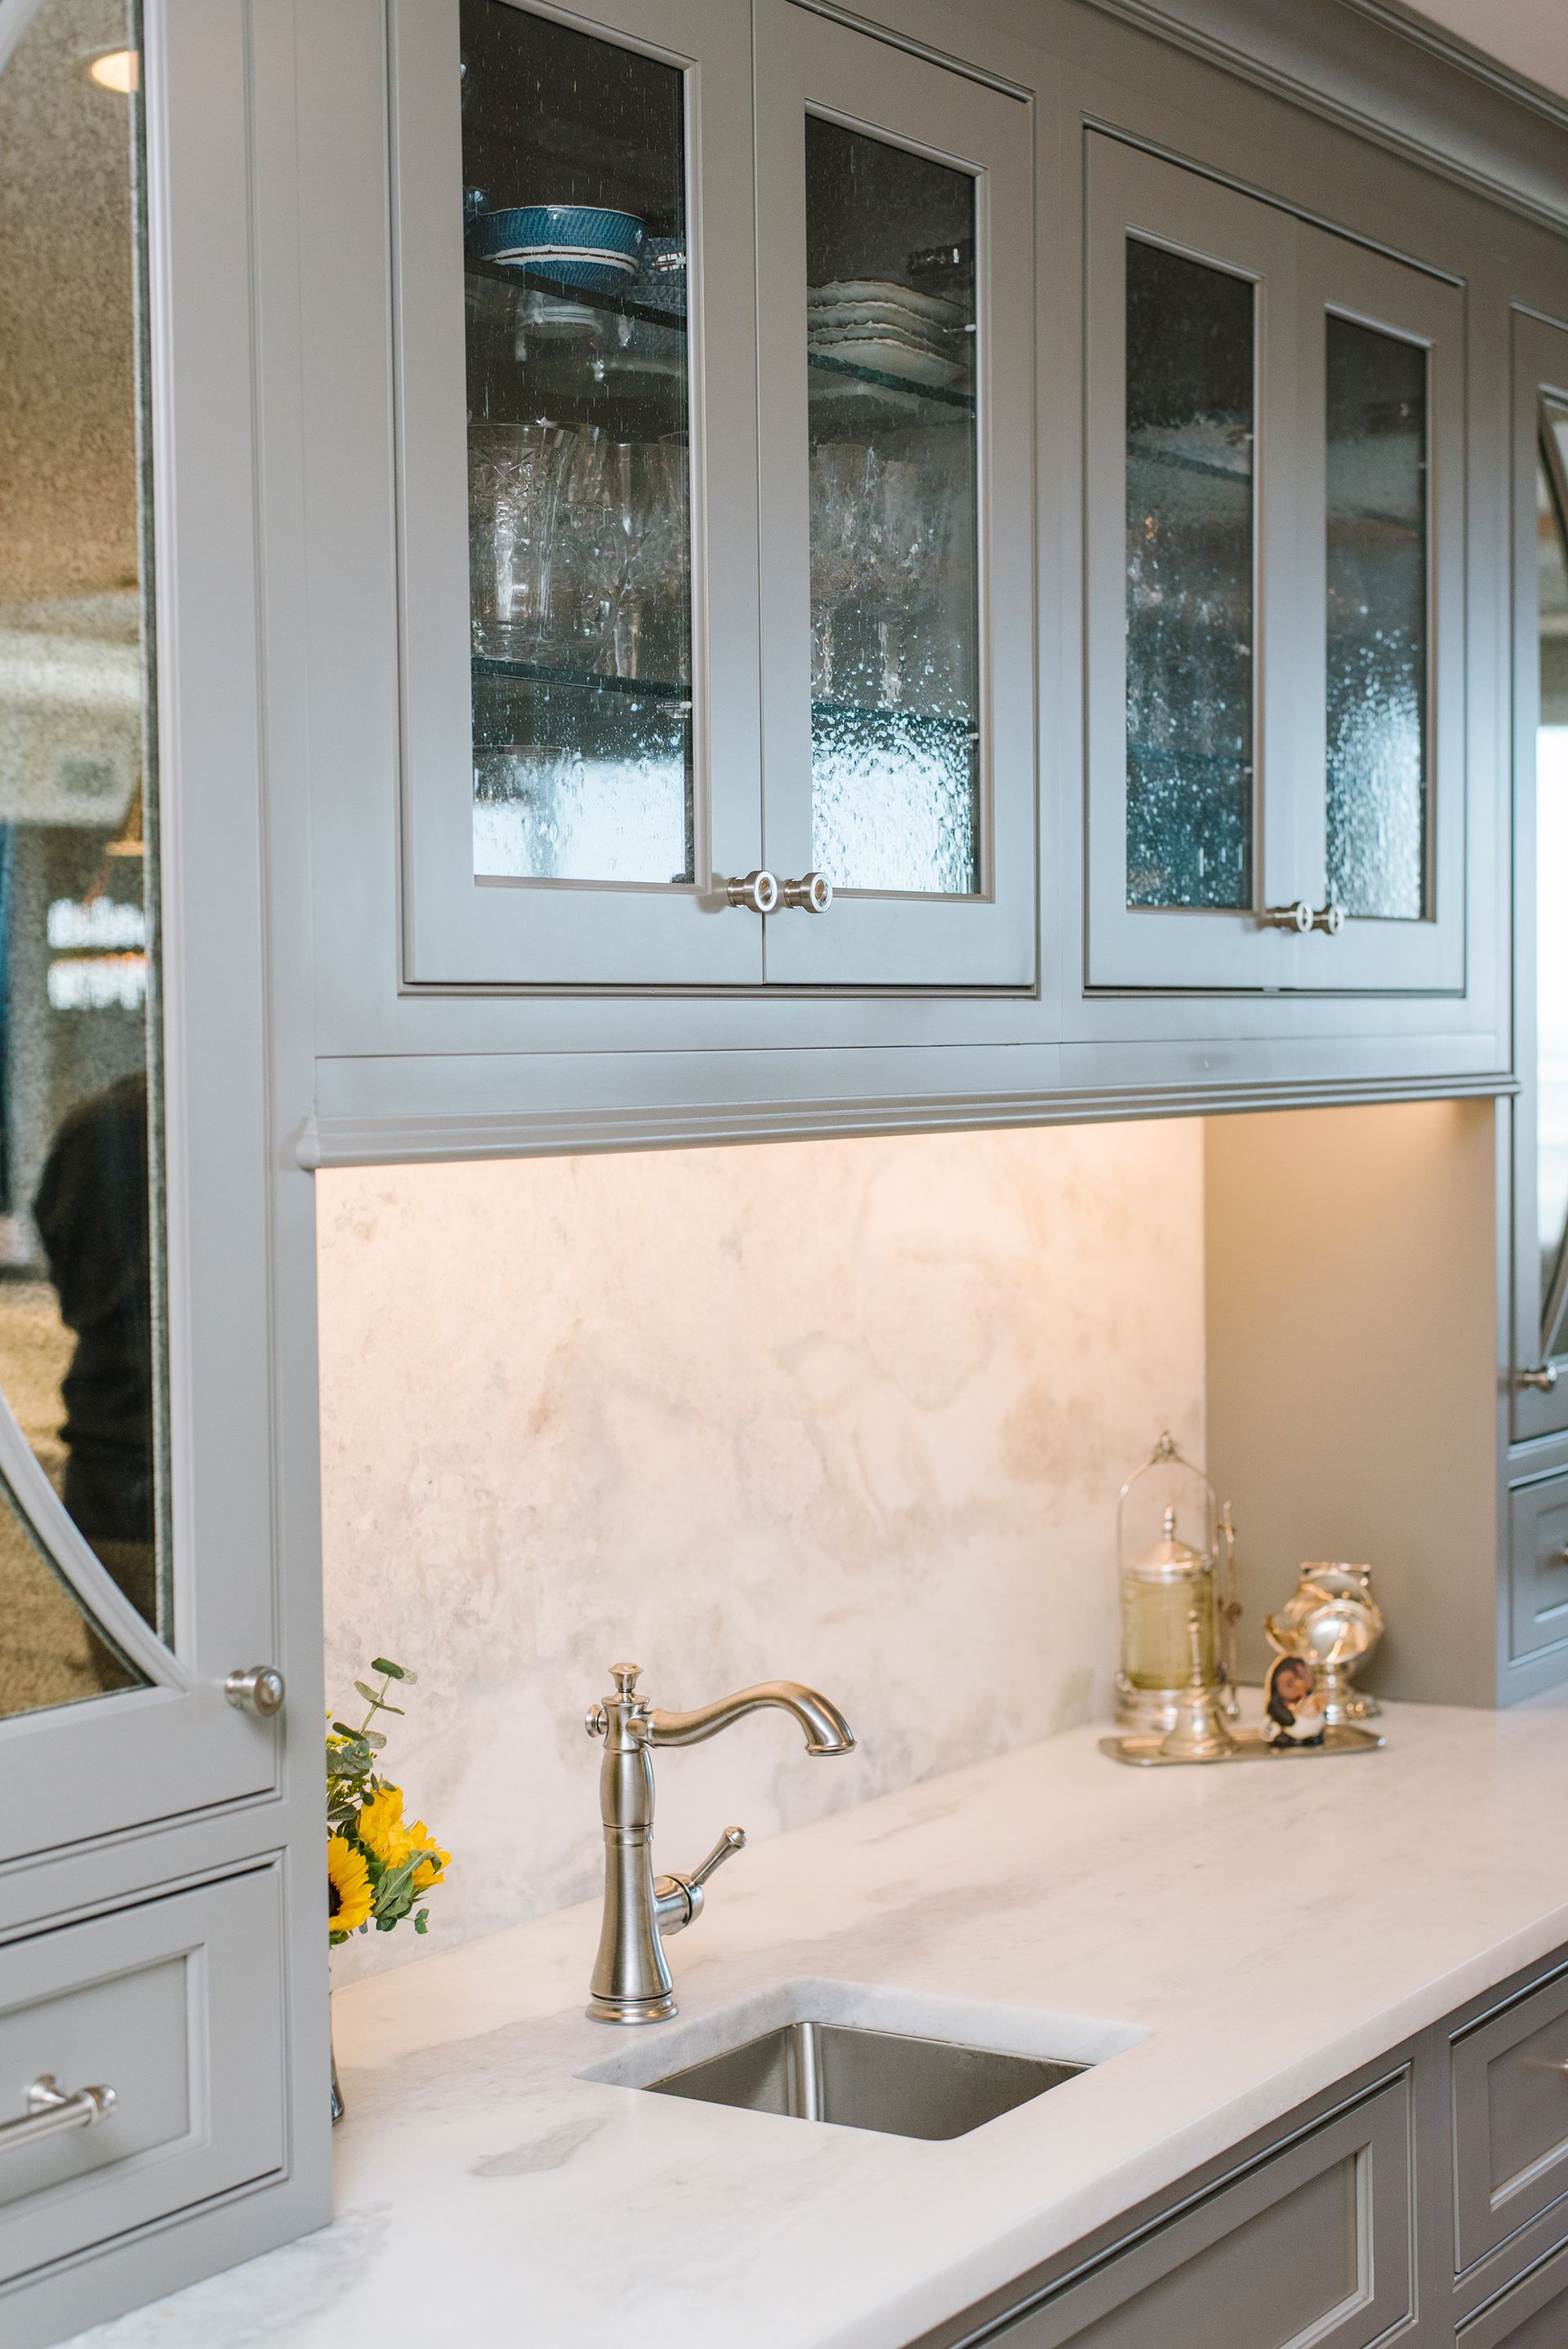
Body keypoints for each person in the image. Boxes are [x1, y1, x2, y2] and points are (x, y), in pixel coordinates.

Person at [33, 1068, 155, 1625]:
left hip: (107, 1478)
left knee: (135, 1700)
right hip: (223, 1479)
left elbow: (68, 1270)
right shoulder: (241, 1120)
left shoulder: (96, 1124)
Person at [1263, 1653, 1326, 1748]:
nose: (1299, 1684)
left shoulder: (1310, 1699)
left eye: (1302, 1677)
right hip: (1290, 1737)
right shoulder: (1277, 1706)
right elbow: (1288, 1721)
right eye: (1290, 1683)